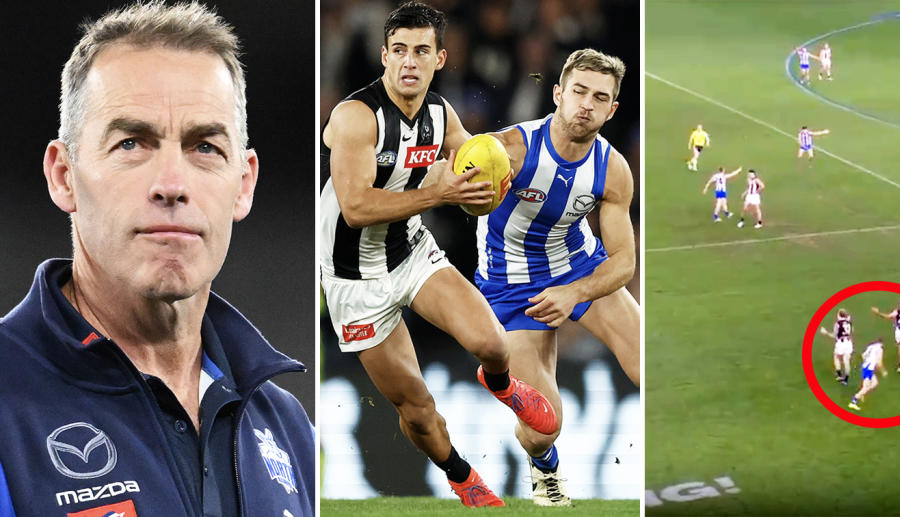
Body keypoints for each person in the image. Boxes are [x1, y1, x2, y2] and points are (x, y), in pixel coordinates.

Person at [0, 3, 314, 515]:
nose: (172, 185)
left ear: (244, 184)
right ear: (64, 175)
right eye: (131, 143)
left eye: (206, 147)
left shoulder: (286, 425)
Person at [318, 2, 557, 508]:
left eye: (421, 51)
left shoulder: (440, 114)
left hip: (409, 252)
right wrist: (440, 195)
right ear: (383, 56)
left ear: (440, 59)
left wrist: (504, 183)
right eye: (399, 50)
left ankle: (502, 387)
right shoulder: (355, 117)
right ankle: (462, 475)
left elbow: (477, 161)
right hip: (351, 279)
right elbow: (357, 207)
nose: (409, 61)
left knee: (494, 344)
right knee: (419, 410)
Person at [476, 48, 641, 507]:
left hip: (578, 267)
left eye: (600, 97)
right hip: (511, 285)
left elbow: (624, 261)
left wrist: (573, 292)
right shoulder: (511, 148)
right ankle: (545, 470)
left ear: (612, 110)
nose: (586, 104)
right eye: (578, 91)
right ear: (558, 94)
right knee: (542, 427)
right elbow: (458, 175)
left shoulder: (613, 170)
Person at [849, 338, 887, 411]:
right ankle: (854, 401)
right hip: (868, 369)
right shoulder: (879, 349)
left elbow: (863, 355)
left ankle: (862, 394)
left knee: (875, 383)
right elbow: (879, 362)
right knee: (865, 387)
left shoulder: (871, 346)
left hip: (866, 367)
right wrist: (883, 371)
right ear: (882, 344)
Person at [820, 309, 854, 385]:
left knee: (836, 357)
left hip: (841, 343)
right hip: (848, 343)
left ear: (839, 315)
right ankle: (846, 379)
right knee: (846, 361)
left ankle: (839, 375)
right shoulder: (849, 322)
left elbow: (834, 336)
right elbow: (851, 332)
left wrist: (826, 333)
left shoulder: (837, 324)